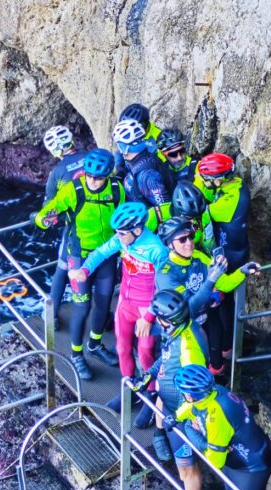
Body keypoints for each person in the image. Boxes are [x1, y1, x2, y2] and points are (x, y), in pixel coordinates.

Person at [34, 148, 123, 380]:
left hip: (107, 255)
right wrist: (44, 219)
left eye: (98, 178)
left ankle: (95, 345)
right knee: (82, 306)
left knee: (103, 303)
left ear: (108, 176)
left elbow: (122, 216)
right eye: (89, 176)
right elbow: (46, 212)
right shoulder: (74, 189)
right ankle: (76, 354)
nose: (92, 181)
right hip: (79, 257)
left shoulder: (116, 189)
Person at [70, 202, 170, 377]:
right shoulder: (123, 239)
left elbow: (164, 289)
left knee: (145, 353)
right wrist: (85, 270)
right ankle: (128, 386)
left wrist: (148, 317)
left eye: (122, 233)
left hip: (146, 307)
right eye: (117, 232)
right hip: (125, 302)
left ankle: (150, 390)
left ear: (137, 230)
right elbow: (101, 252)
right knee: (122, 348)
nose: (118, 236)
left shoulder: (157, 250)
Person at [155, 365, 271, 490]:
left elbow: (215, 461)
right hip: (235, 458)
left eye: (183, 393)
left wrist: (198, 438)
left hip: (252, 467)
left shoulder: (216, 416)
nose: (183, 395)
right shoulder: (212, 391)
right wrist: (177, 416)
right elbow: (192, 406)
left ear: (190, 396)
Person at [156, 217, 260, 374]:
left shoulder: (198, 256)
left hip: (208, 317)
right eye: (182, 239)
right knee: (195, 366)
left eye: (191, 236)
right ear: (170, 244)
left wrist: (243, 271)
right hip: (185, 327)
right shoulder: (166, 274)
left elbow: (224, 284)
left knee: (216, 363)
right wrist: (211, 281)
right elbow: (189, 307)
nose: (189, 242)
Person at [138, 290, 208, 490]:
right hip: (170, 406)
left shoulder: (189, 349)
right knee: (182, 466)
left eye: (157, 317)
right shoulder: (179, 328)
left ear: (166, 320)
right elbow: (167, 357)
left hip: (182, 416)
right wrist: (149, 374)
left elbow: (196, 394)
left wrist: (179, 417)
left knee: (188, 469)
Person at [193, 153, 251, 363]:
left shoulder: (230, 201)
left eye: (207, 179)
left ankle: (227, 346)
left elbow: (200, 209)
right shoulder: (235, 184)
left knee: (223, 303)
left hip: (230, 255)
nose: (204, 181)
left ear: (218, 180)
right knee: (225, 303)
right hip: (234, 247)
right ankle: (229, 343)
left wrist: (198, 181)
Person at [41, 126, 88, 322]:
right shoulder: (91, 156)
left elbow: (49, 210)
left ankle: (50, 316)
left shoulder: (58, 172)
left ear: (55, 151)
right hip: (103, 224)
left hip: (75, 230)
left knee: (62, 270)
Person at [113, 119, 171, 223]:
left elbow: (165, 207)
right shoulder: (140, 158)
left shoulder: (147, 175)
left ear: (124, 148)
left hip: (147, 225)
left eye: (119, 146)